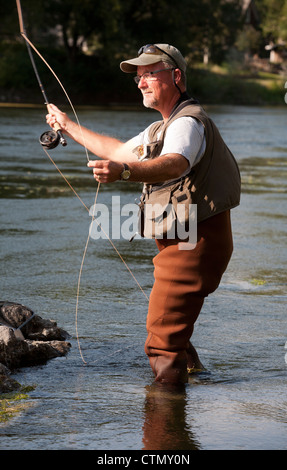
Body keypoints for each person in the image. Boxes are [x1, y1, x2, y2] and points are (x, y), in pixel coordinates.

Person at [46, 44, 241, 385]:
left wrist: (124, 172)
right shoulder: (159, 129)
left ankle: (165, 428)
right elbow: (115, 149)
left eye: (150, 73)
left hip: (195, 246)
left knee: (161, 343)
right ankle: (196, 382)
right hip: (182, 244)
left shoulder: (187, 124)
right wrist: (67, 125)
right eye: (138, 77)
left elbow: (176, 163)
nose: (141, 83)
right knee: (171, 330)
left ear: (176, 76)